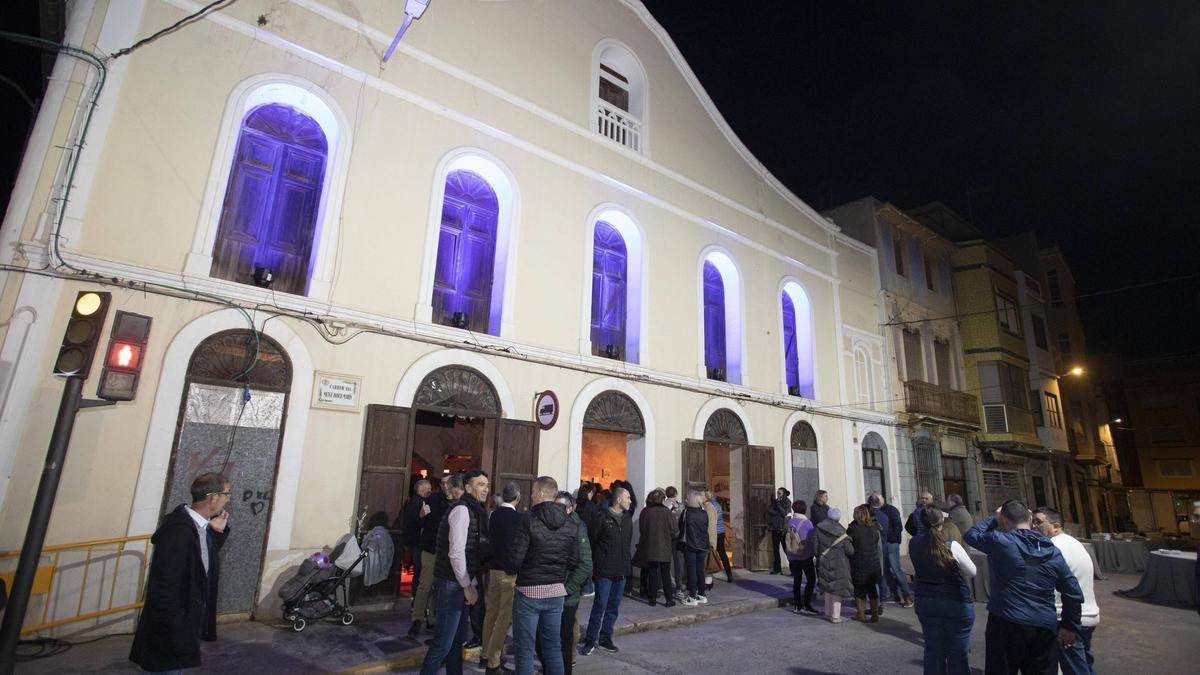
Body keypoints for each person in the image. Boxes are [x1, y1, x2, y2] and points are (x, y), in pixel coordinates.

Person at [965, 500, 1084, 675]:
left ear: (1004, 520)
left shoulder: (1001, 542)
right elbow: (1072, 591)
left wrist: (994, 519)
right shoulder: (1051, 550)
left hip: (1006, 622)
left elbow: (972, 535)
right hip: (1043, 625)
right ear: (1030, 520)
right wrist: (1070, 625)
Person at [130, 473, 231, 673]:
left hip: (182, 627)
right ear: (212, 498)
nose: (227, 499)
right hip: (170, 631)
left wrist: (215, 534)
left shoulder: (199, 527)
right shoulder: (180, 531)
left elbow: (199, 563)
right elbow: (164, 586)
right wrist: (176, 629)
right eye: (226, 494)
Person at [419, 470, 490, 675]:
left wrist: (471, 583)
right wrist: (467, 585)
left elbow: (471, 552)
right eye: (480, 484)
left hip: (458, 581)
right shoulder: (462, 511)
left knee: (455, 643)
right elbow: (457, 552)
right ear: (468, 488)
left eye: (487, 484)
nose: (485, 488)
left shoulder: (473, 510)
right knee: (443, 643)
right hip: (452, 583)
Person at [509, 476, 578, 675]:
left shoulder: (528, 519)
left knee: (524, 649)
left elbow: (515, 560)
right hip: (556, 591)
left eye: (532, 492)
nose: (530, 496)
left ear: (540, 493)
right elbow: (574, 560)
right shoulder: (570, 522)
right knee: (553, 647)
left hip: (529, 591)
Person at [1033, 508, 1099, 675]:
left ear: (1055, 526)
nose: (1033, 526)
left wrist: (1067, 625)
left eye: (1039, 522)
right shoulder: (1072, 543)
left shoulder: (1053, 548)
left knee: (1075, 669)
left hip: (1069, 620)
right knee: (1083, 665)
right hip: (1085, 616)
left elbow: (1058, 588)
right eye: (1032, 521)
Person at [911, 506, 977, 675]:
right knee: (958, 654)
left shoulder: (913, 543)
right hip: (955, 600)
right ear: (942, 522)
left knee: (933, 650)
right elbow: (972, 571)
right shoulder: (951, 545)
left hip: (926, 600)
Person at [581, 485, 632, 656]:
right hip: (604, 570)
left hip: (621, 570)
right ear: (618, 499)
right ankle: (590, 639)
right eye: (627, 497)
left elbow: (627, 543)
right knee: (600, 605)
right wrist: (598, 561)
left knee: (613, 606)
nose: (630, 501)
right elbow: (593, 539)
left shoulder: (627, 520)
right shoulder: (601, 517)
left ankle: (605, 637)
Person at [481, 481, 522, 675]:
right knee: (504, 618)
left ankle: (485, 653)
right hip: (508, 572)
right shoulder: (518, 518)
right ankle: (493, 661)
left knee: (491, 612)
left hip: (494, 569)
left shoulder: (494, 515)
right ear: (517, 498)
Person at [409, 474, 452, 638]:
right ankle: (417, 619)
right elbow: (418, 523)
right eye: (443, 483)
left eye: (449, 483)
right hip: (431, 549)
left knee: (439, 588)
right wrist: (421, 516)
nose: (446, 486)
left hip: (447, 553)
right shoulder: (432, 500)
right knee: (425, 585)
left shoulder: (457, 503)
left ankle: (433, 619)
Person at [556, 491, 592, 675]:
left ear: (571, 508)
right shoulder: (552, 525)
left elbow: (586, 564)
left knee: (567, 634)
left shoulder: (578, 528)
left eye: (562, 507)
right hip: (551, 592)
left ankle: (567, 666)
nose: (558, 510)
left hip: (568, 594)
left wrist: (568, 588)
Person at [634, 488, 677, 606]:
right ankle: (669, 600)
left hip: (650, 546)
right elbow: (674, 530)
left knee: (652, 573)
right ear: (663, 499)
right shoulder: (667, 512)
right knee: (665, 574)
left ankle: (652, 599)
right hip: (664, 547)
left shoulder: (646, 512)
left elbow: (642, 529)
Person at [870, 492, 913, 608]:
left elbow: (898, 527)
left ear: (882, 499)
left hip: (891, 543)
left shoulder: (891, 510)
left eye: (878, 499)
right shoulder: (874, 512)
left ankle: (907, 596)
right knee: (885, 570)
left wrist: (887, 537)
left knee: (896, 569)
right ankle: (893, 594)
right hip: (883, 544)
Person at [814, 506, 853, 623]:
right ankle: (835, 616)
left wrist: (819, 556)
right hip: (839, 562)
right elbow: (850, 550)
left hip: (824, 559)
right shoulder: (842, 532)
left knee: (827, 587)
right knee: (837, 589)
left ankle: (827, 612)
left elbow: (815, 546)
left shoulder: (818, 528)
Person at [847, 504, 883, 622]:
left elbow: (849, 544)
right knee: (872, 589)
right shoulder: (874, 527)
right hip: (873, 562)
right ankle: (874, 615)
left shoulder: (853, 528)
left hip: (859, 562)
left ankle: (861, 614)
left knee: (859, 590)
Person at [784, 499, 817, 614]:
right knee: (811, 579)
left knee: (797, 580)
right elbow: (811, 539)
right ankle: (807, 603)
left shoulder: (790, 521)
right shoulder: (807, 523)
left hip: (793, 555)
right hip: (805, 555)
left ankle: (797, 605)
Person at [679, 491, 710, 606]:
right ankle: (702, 594)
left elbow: (681, 527)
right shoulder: (704, 513)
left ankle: (692, 596)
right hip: (702, 544)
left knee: (691, 571)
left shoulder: (686, 513)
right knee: (700, 570)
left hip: (691, 545)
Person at [402, 479, 432, 593]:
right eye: (428, 489)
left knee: (418, 569)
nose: (430, 491)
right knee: (419, 570)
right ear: (421, 489)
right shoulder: (419, 502)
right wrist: (423, 517)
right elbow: (415, 522)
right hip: (418, 541)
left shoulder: (412, 501)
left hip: (413, 541)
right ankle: (416, 594)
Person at [574, 483, 597, 597]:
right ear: (589, 493)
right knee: (587, 562)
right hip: (588, 537)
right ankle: (587, 588)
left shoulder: (575, 505)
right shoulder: (592, 507)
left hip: (575, 536)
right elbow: (595, 524)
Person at [707, 491, 734, 583]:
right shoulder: (717, 504)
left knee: (710, 554)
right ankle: (729, 574)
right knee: (722, 553)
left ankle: (709, 576)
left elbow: (711, 521)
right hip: (721, 531)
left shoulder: (710, 506)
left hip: (715, 533)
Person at [665, 486, 685, 600]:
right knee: (678, 563)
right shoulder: (681, 506)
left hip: (666, 537)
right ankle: (678, 587)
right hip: (678, 537)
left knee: (666, 563)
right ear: (676, 494)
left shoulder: (664, 506)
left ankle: (666, 585)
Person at [768, 487, 791, 574]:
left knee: (786, 549)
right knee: (775, 550)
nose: (778, 494)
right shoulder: (775, 502)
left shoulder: (787, 502)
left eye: (780, 493)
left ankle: (793, 568)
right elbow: (770, 510)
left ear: (784, 494)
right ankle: (777, 568)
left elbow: (784, 513)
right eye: (777, 493)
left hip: (783, 529)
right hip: (775, 528)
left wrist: (778, 506)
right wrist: (776, 510)